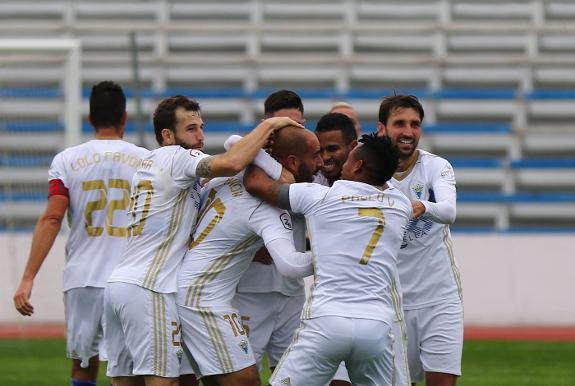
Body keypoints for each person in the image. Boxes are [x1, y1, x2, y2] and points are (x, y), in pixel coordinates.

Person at [103, 95, 300, 386]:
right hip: (151, 287)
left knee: (127, 382)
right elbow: (233, 161)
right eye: (191, 129)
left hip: (119, 285)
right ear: (168, 136)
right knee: (164, 382)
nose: (201, 136)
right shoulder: (177, 157)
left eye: (202, 127)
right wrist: (269, 125)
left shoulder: (153, 164)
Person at [244, 133, 412, 386]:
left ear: (358, 166)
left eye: (351, 156)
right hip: (376, 325)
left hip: (327, 321)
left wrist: (259, 152)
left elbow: (256, 184)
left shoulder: (319, 196)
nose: (343, 161)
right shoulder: (401, 206)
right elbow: (384, 180)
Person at [13, 81, 149, 386]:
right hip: (130, 279)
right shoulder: (145, 160)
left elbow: (52, 218)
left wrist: (28, 277)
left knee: (83, 369)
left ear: (90, 119)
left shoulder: (66, 160)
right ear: (124, 118)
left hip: (83, 280)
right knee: (130, 372)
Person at [177, 126, 322, 386]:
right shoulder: (268, 209)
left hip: (186, 289)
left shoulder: (234, 171)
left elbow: (234, 140)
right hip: (203, 301)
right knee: (247, 381)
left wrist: (277, 135)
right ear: (292, 161)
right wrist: (337, 256)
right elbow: (290, 265)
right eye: (315, 155)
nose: (321, 163)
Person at [314, 113, 411, 386]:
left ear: (354, 152)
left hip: (379, 307)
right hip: (332, 307)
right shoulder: (316, 184)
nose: (326, 157)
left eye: (333, 149)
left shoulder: (387, 193)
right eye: (320, 150)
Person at [376, 95, 463, 386]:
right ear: (382, 128)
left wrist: (422, 206)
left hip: (439, 298)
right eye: (399, 123)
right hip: (392, 302)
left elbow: (449, 211)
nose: (408, 131)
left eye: (415, 124)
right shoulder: (368, 173)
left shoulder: (437, 167)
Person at [232, 90, 317, 375]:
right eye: (281, 125)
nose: (289, 131)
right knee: (244, 374)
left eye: (297, 125)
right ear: (266, 124)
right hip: (249, 288)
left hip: (291, 292)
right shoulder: (244, 161)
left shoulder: (309, 166)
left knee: (295, 375)